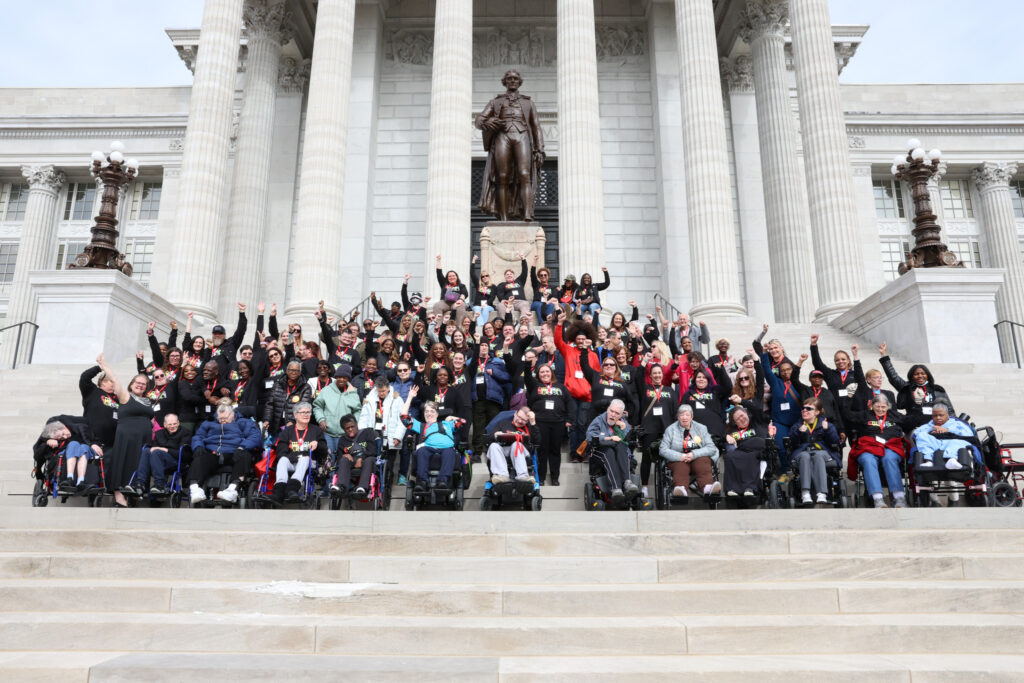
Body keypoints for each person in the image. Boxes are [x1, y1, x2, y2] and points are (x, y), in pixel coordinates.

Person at [97, 356, 155, 508]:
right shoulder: (125, 396)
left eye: (144, 384)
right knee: (123, 463)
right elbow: (115, 380)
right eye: (138, 382)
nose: (140, 385)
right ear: (131, 384)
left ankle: (134, 492)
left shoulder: (148, 401)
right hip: (127, 437)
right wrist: (103, 365)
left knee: (138, 464)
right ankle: (119, 497)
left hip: (143, 439)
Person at [187, 402, 261, 504]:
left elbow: (255, 436)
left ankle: (233, 490)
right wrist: (198, 446)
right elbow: (198, 436)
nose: (222, 421)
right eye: (220, 419)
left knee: (245, 456)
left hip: (234, 451)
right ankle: (195, 489)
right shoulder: (209, 423)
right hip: (214, 452)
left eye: (225, 418)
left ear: (232, 414)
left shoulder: (244, 422)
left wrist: (241, 447)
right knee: (199, 458)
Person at [878, 342, 953, 435]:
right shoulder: (907, 387)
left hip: (936, 424)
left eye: (923, 373)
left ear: (927, 375)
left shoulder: (938, 389)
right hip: (914, 425)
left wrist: (951, 425)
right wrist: (884, 356)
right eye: (916, 374)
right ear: (912, 376)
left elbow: (949, 410)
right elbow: (893, 377)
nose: (920, 376)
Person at [848, 395, 907, 508]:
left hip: (890, 446)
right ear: (872, 406)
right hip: (869, 447)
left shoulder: (894, 415)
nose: (880, 409)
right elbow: (847, 414)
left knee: (889, 458)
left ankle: (899, 497)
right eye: (877, 406)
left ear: (888, 407)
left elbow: (912, 420)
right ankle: (877, 498)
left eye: (883, 407)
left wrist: (918, 405)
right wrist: (849, 398)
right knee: (867, 459)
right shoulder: (865, 415)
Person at [554, 312, 601, 456]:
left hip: (587, 395)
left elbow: (596, 375)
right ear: (574, 339)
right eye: (578, 338)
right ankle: (574, 452)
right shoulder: (568, 351)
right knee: (573, 424)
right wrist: (560, 324)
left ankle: (583, 452)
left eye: (583, 339)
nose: (581, 341)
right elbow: (558, 341)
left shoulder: (592, 356)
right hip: (571, 395)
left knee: (583, 424)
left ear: (588, 340)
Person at [401, 388, 462, 491]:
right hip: (429, 447)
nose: (429, 413)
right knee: (421, 451)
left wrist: (452, 417)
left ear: (437, 414)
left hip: (446, 447)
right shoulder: (421, 425)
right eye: (427, 411)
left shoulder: (446, 424)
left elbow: (462, 421)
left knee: (450, 452)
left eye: (432, 411)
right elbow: (404, 418)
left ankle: (443, 481)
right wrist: (410, 397)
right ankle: (422, 482)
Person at [267, 401, 327, 503]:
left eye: (308, 412)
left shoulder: (316, 430)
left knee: (304, 459)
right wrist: (295, 458)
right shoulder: (288, 431)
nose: (306, 415)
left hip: (309, 462)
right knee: (282, 459)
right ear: (295, 415)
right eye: (303, 412)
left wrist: (317, 444)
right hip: (291, 461)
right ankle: (278, 493)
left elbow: (324, 452)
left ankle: (291, 490)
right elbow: (281, 450)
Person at [659, 405, 720, 498]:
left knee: (702, 461)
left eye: (687, 415)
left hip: (698, 457)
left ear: (692, 417)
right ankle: (681, 489)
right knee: (680, 465)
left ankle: (707, 488)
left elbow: (711, 447)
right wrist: (680, 456)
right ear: (678, 417)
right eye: (681, 415)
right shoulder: (670, 430)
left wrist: (694, 454)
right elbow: (663, 449)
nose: (684, 417)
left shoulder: (701, 428)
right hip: (678, 459)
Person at [789, 398, 842, 505]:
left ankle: (822, 493)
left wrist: (827, 430)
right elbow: (792, 443)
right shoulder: (798, 425)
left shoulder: (826, 424)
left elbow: (835, 442)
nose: (805, 410)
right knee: (804, 456)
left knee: (818, 455)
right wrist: (799, 433)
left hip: (823, 452)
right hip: (803, 452)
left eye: (809, 408)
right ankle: (805, 493)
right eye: (803, 408)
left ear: (817, 412)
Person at [124, 413, 190, 498]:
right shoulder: (159, 434)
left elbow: (186, 455)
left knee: (156, 452)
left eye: (175, 424)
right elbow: (153, 449)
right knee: (147, 450)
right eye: (170, 424)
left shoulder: (185, 433)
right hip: (158, 461)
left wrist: (166, 450)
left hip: (176, 461)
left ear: (178, 423)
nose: (172, 426)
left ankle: (160, 485)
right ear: (165, 425)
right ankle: (140, 484)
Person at [585, 399, 637, 505]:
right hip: (600, 450)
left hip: (617, 450)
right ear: (608, 409)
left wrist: (624, 428)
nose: (613, 415)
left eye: (616, 413)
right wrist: (609, 438)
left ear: (621, 415)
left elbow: (629, 441)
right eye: (611, 411)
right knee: (608, 452)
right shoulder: (599, 420)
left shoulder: (623, 422)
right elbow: (590, 436)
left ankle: (627, 482)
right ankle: (616, 488)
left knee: (622, 447)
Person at [722, 407, 774, 498]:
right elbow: (720, 437)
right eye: (737, 419)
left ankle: (749, 488)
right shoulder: (733, 431)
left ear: (746, 413)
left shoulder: (757, 422)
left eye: (742, 415)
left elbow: (757, 407)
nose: (741, 419)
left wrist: (741, 401)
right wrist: (725, 437)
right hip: (741, 451)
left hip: (758, 450)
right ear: (735, 422)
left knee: (752, 453)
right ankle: (732, 488)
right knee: (730, 457)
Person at [469, 342, 510, 457]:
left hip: (493, 399)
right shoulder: (470, 362)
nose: (483, 347)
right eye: (481, 345)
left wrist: (494, 373)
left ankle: (493, 449)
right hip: (477, 399)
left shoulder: (497, 362)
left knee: (494, 425)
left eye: (486, 345)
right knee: (478, 426)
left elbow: (507, 377)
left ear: (489, 348)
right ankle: (477, 451)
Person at [313, 364, 362, 456]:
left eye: (344, 377)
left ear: (348, 379)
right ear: (335, 377)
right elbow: (317, 406)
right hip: (328, 432)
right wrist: (321, 419)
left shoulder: (353, 393)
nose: (341, 380)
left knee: (343, 460)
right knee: (329, 459)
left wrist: (353, 425)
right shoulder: (326, 390)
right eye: (339, 377)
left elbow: (357, 410)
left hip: (345, 434)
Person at [34, 417, 92, 495]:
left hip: (83, 456)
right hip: (62, 462)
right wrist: (47, 442)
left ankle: (80, 481)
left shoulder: (78, 429)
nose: (64, 437)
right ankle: (70, 478)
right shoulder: (55, 442)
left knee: (81, 447)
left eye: (63, 434)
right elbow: (37, 455)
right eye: (60, 437)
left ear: (64, 427)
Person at [912, 401, 975, 471]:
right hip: (935, 445)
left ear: (947, 415)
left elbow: (969, 434)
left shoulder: (958, 424)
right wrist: (930, 431)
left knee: (961, 442)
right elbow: (916, 434)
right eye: (935, 416)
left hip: (951, 444)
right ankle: (928, 461)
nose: (938, 418)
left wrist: (947, 430)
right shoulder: (927, 426)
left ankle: (952, 460)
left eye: (941, 415)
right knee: (922, 436)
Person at [485, 405, 537, 484]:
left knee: (516, 444)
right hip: (502, 450)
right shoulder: (502, 423)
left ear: (527, 421)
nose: (520, 421)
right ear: (515, 414)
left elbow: (537, 441)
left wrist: (533, 422)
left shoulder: (529, 428)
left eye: (523, 420)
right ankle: (502, 476)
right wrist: (495, 435)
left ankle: (522, 476)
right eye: (519, 417)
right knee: (493, 446)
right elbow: (487, 439)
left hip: (521, 452)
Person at [330, 414, 379, 497]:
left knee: (369, 460)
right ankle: (341, 487)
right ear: (344, 429)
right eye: (347, 428)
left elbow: (373, 451)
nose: (350, 429)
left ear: (356, 425)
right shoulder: (343, 440)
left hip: (367, 460)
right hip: (351, 462)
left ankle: (362, 488)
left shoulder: (367, 433)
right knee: (343, 460)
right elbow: (339, 458)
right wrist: (344, 456)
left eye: (352, 426)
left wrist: (361, 458)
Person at [358, 376, 407, 454]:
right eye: (379, 391)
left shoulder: (397, 400)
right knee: (372, 462)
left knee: (389, 464)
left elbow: (402, 420)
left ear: (388, 388)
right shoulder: (369, 399)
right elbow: (363, 417)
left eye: (383, 391)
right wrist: (362, 434)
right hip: (373, 435)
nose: (381, 393)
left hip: (390, 436)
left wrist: (398, 437)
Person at [263, 360, 313, 435]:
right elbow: (270, 405)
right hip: (276, 424)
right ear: (286, 371)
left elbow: (304, 407)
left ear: (300, 373)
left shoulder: (305, 387)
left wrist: (292, 421)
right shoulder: (277, 385)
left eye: (296, 371)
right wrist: (267, 420)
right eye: (291, 370)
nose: (293, 372)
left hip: (294, 425)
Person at [432, 254, 470, 324]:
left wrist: (461, 300)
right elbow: (439, 273)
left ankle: (460, 328)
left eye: (453, 276)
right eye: (449, 276)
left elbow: (464, 293)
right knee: (437, 305)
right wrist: (438, 261)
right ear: (447, 278)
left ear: (456, 277)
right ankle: (438, 327)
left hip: (456, 302)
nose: (451, 277)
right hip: (445, 303)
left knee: (461, 306)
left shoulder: (461, 285)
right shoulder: (444, 284)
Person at [493, 256, 530, 321]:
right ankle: (505, 323)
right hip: (508, 302)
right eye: (507, 274)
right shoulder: (502, 284)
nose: (509, 275)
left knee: (525, 304)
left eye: (511, 274)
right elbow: (499, 294)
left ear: (513, 275)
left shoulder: (519, 281)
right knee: (500, 306)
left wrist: (523, 260)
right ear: (505, 276)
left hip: (520, 302)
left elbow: (525, 272)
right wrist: (503, 300)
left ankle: (523, 321)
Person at [470, 254, 497, 324]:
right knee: (477, 309)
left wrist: (486, 304)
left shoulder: (493, 286)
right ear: (481, 278)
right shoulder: (478, 285)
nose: (485, 277)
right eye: (483, 276)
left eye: (486, 275)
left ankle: (482, 326)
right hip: (478, 305)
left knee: (485, 308)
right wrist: (473, 261)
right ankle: (482, 326)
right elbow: (472, 274)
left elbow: (492, 297)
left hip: (488, 306)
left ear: (489, 276)